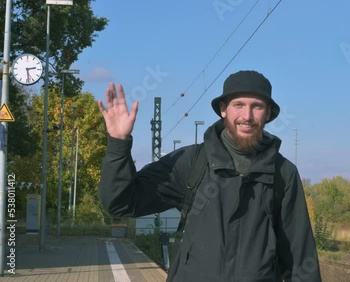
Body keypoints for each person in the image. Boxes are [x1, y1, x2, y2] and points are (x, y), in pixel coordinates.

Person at [97, 70, 322, 282]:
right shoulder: (191, 163)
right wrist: (119, 143)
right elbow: (121, 202)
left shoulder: (283, 173)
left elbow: (300, 259)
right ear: (223, 109)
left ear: (269, 113)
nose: (247, 116)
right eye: (239, 105)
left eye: (257, 106)